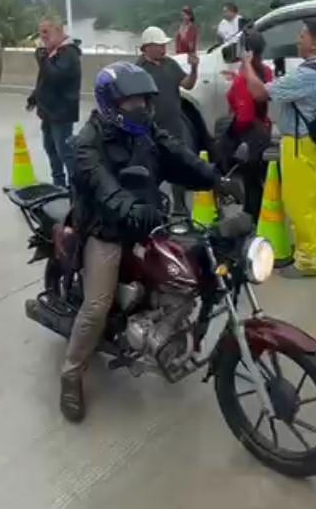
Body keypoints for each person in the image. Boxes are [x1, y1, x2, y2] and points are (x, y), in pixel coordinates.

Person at [60, 62, 218, 422]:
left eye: (144, 101)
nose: (140, 108)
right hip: (106, 229)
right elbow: (105, 189)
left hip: (145, 219)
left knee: (185, 272)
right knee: (97, 305)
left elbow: (178, 154)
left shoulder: (146, 130)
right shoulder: (87, 143)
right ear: (111, 103)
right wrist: (133, 210)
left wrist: (215, 178)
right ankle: (70, 374)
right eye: (131, 102)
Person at [242, 18, 316, 277]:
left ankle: (307, 261)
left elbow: (259, 93)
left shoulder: (306, 74)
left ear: (314, 43)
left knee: (301, 204)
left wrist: (246, 64)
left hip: (300, 144)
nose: (298, 40)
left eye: (302, 36)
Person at [136, 26, 198, 214]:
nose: (164, 49)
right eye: (160, 45)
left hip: (174, 128)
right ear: (147, 47)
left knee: (178, 168)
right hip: (152, 132)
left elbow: (188, 84)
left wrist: (194, 67)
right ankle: (154, 210)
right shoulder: (138, 70)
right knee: (153, 172)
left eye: (164, 45)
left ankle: (180, 208)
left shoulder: (170, 64)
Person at [218, 29, 274, 217]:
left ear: (245, 51)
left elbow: (244, 117)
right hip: (263, 130)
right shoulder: (265, 71)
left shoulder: (244, 80)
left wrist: (233, 135)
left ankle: (249, 219)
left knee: (249, 181)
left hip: (249, 133)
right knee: (257, 179)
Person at [27, 18, 82, 187]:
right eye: (40, 32)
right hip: (48, 111)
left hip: (62, 112)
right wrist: (35, 97)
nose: (42, 37)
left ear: (58, 31)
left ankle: (77, 186)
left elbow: (56, 77)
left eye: (46, 32)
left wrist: (42, 59)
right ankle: (58, 184)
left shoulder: (69, 53)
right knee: (50, 149)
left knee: (65, 151)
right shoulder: (52, 52)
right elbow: (45, 80)